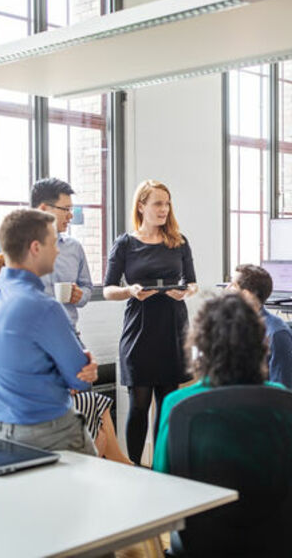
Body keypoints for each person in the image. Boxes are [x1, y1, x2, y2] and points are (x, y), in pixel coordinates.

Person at [103, 180, 197, 465]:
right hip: (140, 329)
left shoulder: (179, 242)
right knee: (139, 405)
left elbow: (192, 283)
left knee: (166, 405)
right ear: (141, 206)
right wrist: (129, 291)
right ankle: (133, 467)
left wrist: (185, 292)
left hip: (173, 328)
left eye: (167, 204)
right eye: (158, 203)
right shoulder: (126, 244)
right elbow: (108, 289)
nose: (164, 209)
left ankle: (160, 466)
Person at [0, 209, 98, 453]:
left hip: (0, 430)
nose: (57, 250)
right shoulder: (44, 307)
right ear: (36, 248)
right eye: (52, 243)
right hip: (52, 433)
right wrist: (84, 367)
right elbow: (80, 381)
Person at [153, 292, 284, 474]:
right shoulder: (281, 400)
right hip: (268, 503)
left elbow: (164, 477)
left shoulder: (178, 403)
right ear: (261, 346)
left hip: (202, 503)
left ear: (199, 348)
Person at [0, 178, 93, 330]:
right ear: (44, 209)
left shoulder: (74, 248)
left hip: (68, 333)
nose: (70, 216)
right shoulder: (8, 247)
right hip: (26, 337)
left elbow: (87, 288)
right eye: (66, 209)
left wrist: (80, 295)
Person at [229, 263, 292, 390]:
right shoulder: (234, 325)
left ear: (247, 295)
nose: (227, 289)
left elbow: (282, 393)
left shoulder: (277, 334)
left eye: (233, 286)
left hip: (260, 404)